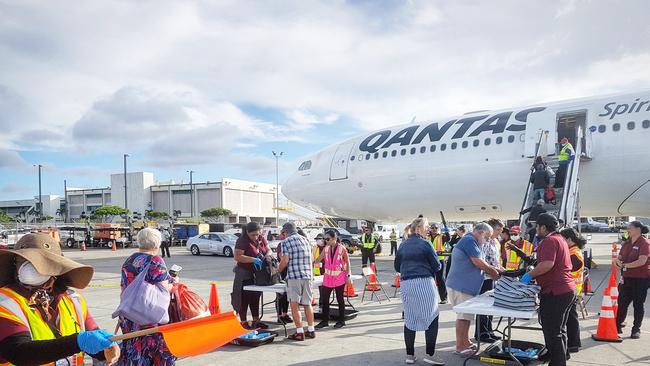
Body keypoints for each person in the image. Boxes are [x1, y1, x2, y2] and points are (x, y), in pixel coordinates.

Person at [0, 233, 119, 365]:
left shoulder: (73, 300)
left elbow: (92, 338)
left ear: (56, 268)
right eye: (24, 261)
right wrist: (77, 342)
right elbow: (19, 351)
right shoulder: (5, 302)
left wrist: (105, 348)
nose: (29, 267)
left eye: (38, 262)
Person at [520, 213, 575, 365]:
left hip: (555, 291)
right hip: (565, 289)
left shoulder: (549, 240)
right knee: (559, 328)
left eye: (537, 226)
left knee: (552, 331)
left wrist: (529, 275)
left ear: (543, 227)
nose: (536, 229)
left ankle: (558, 362)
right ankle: (557, 354)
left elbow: (547, 264)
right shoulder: (560, 239)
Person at [117, 227, 176, 365]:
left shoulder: (129, 260)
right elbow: (163, 289)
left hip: (130, 314)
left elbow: (123, 288)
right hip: (149, 317)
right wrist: (174, 284)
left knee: (133, 351)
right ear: (156, 244)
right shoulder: (155, 260)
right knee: (154, 352)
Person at [394, 217, 444, 365]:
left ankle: (410, 355)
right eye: (427, 227)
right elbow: (436, 266)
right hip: (423, 282)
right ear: (418, 229)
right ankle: (430, 353)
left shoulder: (403, 245)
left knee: (410, 319)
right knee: (432, 317)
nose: (428, 229)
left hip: (406, 284)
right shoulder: (425, 243)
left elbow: (397, 267)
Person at [446, 223, 501, 357]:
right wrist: (493, 272)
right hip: (461, 286)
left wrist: (497, 269)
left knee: (467, 316)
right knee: (463, 317)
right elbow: (478, 262)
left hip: (465, 286)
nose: (488, 240)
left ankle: (465, 341)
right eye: (487, 237)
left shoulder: (473, 241)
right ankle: (460, 346)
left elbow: (483, 261)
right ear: (480, 233)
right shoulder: (469, 240)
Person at [279, 222, 316, 341]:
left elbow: (285, 260)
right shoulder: (306, 240)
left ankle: (299, 332)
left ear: (285, 232)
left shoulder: (286, 242)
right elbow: (311, 258)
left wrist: (277, 270)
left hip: (294, 276)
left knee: (294, 305)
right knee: (307, 304)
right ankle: (311, 329)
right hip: (308, 276)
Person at [615, 221, 650, 339]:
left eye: (629, 227)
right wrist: (618, 262)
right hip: (626, 278)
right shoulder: (626, 243)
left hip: (640, 279)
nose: (627, 229)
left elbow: (642, 261)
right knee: (622, 303)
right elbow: (619, 257)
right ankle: (617, 325)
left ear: (637, 229)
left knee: (638, 304)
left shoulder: (644, 243)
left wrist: (625, 265)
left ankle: (636, 329)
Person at [232, 222, 269, 330]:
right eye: (253, 235)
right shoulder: (242, 240)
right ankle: (243, 321)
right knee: (243, 298)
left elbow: (269, 249)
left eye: (257, 234)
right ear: (247, 232)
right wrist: (253, 259)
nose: (256, 237)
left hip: (258, 273)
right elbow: (237, 256)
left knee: (255, 296)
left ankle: (256, 320)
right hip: (244, 272)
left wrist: (267, 256)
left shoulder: (260, 238)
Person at [314, 230, 352, 329]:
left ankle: (341, 321)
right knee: (325, 300)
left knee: (340, 299)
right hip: (328, 278)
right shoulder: (326, 249)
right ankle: (325, 321)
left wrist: (348, 276)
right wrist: (310, 262)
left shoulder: (342, 249)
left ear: (334, 239)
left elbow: (347, 263)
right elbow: (318, 259)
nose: (325, 241)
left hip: (339, 277)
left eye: (327, 239)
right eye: (324, 239)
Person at [475, 219, 505, 343]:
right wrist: (496, 270)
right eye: (498, 230)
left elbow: (495, 260)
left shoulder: (495, 242)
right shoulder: (485, 242)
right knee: (483, 307)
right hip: (485, 277)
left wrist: (503, 270)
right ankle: (481, 333)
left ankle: (489, 330)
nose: (499, 233)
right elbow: (483, 261)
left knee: (491, 306)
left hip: (494, 276)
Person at [560, 228, 586, 353]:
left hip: (571, 289)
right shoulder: (572, 250)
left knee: (570, 318)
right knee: (571, 317)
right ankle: (573, 343)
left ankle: (573, 343)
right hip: (572, 289)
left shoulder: (574, 254)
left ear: (569, 239)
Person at [275, 238, 293, 325]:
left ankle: (285, 314)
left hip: (290, 270)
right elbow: (281, 257)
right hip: (282, 270)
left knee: (287, 295)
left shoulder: (290, 243)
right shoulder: (282, 244)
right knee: (280, 295)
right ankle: (279, 316)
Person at [429, 224, 448, 304]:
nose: (434, 229)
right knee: (430, 280)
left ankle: (444, 298)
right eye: (432, 228)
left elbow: (448, 238)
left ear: (438, 229)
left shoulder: (441, 237)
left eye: (436, 228)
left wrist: (447, 231)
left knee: (440, 279)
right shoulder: (427, 237)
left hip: (440, 260)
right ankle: (431, 298)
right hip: (430, 261)